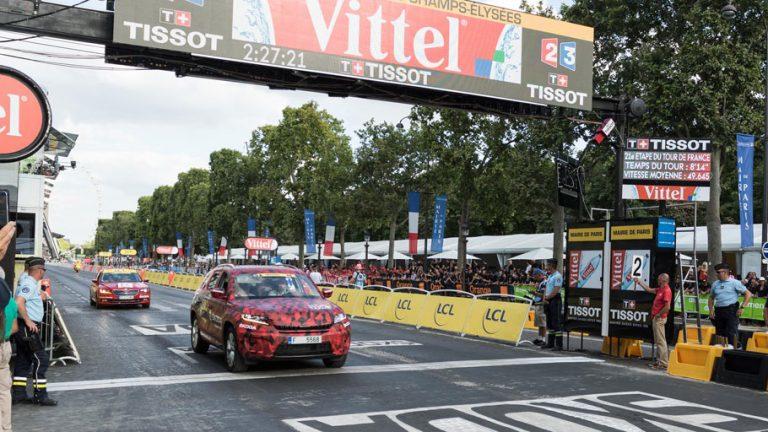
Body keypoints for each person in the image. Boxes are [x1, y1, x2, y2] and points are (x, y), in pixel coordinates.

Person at [12, 257, 57, 406]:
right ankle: (40, 396)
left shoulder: (27, 280)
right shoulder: (29, 283)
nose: (44, 272)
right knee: (41, 359)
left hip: (22, 327)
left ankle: (18, 395)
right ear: (39, 270)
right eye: (43, 269)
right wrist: (28, 320)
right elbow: (19, 302)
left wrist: (39, 296)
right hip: (27, 328)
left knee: (23, 360)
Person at [708, 263, 752, 348]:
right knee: (719, 333)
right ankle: (720, 350)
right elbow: (711, 298)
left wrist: (742, 307)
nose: (716, 274)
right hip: (719, 311)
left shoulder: (735, 282)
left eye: (718, 272)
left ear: (725, 272)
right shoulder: (715, 284)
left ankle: (735, 350)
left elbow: (748, 294)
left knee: (731, 332)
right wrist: (711, 310)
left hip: (731, 310)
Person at [634, 274, 672, 370]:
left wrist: (658, 315)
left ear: (663, 280)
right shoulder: (661, 289)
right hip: (657, 318)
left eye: (659, 279)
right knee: (659, 340)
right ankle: (660, 361)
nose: (657, 281)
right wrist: (639, 282)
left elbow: (667, 307)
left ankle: (663, 363)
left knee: (660, 341)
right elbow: (649, 289)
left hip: (659, 318)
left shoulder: (666, 290)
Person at [541, 259, 564, 351]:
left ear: (552, 265)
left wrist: (547, 298)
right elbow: (546, 288)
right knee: (549, 322)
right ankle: (550, 343)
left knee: (556, 322)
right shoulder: (550, 276)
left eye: (548, 265)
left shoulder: (558, 276)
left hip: (555, 300)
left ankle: (559, 345)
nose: (546, 266)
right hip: (548, 299)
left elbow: (556, 290)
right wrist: (544, 298)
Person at [530, 267, 548, 346]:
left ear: (540, 275)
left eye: (536, 276)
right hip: (538, 304)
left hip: (542, 304)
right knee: (539, 323)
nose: (535, 278)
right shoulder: (541, 283)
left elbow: (543, 295)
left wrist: (535, 293)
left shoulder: (544, 283)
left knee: (543, 323)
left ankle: (543, 340)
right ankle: (540, 338)